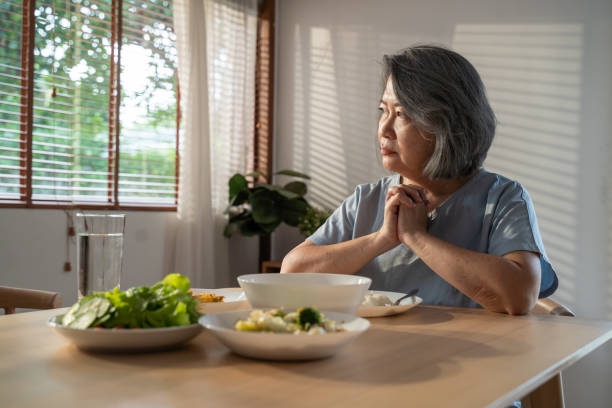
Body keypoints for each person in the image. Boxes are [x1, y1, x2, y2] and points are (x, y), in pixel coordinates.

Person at [281, 45, 558, 315]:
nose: (384, 129)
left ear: (447, 124)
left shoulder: (502, 198)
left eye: (401, 114)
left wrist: (416, 237)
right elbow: (292, 273)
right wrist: (382, 239)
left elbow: (520, 296)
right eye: (383, 111)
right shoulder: (366, 199)